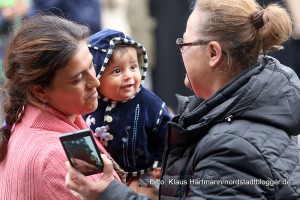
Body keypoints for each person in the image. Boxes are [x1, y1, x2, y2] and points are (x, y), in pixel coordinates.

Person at [65, 0, 300, 199]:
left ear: (213, 54)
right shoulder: (225, 115)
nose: (180, 50)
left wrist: (109, 192)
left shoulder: (232, 149)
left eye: (184, 43)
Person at [0, 14, 129, 199]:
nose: (95, 82)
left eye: (91, 65)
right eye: (78, 78)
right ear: (40, 91)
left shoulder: (34, 116)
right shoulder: (58, 154)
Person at [84, 29, 172, 187]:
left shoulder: (150, 105)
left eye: (133, 67)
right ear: (97, 74)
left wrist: (161, 164)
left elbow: (168, 136)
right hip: (100, 177)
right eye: (117, 71)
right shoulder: (88, 103)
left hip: (144, 174)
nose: (128, 76)